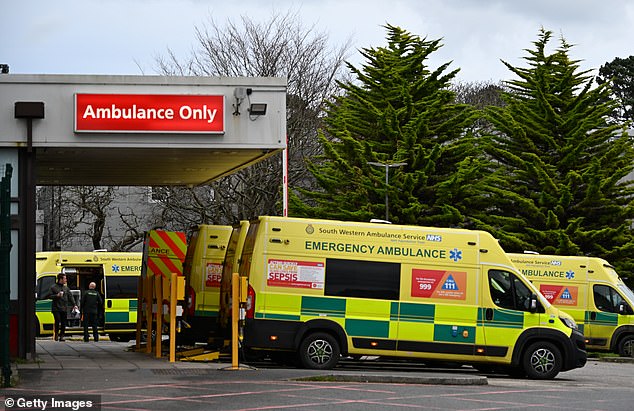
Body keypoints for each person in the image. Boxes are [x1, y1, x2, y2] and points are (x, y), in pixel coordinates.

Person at [50, 273, 78, 342]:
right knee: (57, 320)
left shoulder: (66, 288)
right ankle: (56, 334)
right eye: (65, 278)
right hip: (56, 308)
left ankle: (62, 336)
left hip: (64, 308)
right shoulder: (53, 287)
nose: (66, 280)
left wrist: (74, 304)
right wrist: (57, 295)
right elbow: (49, 296)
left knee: (63, 322)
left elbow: (70, 296)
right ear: (60, 279)